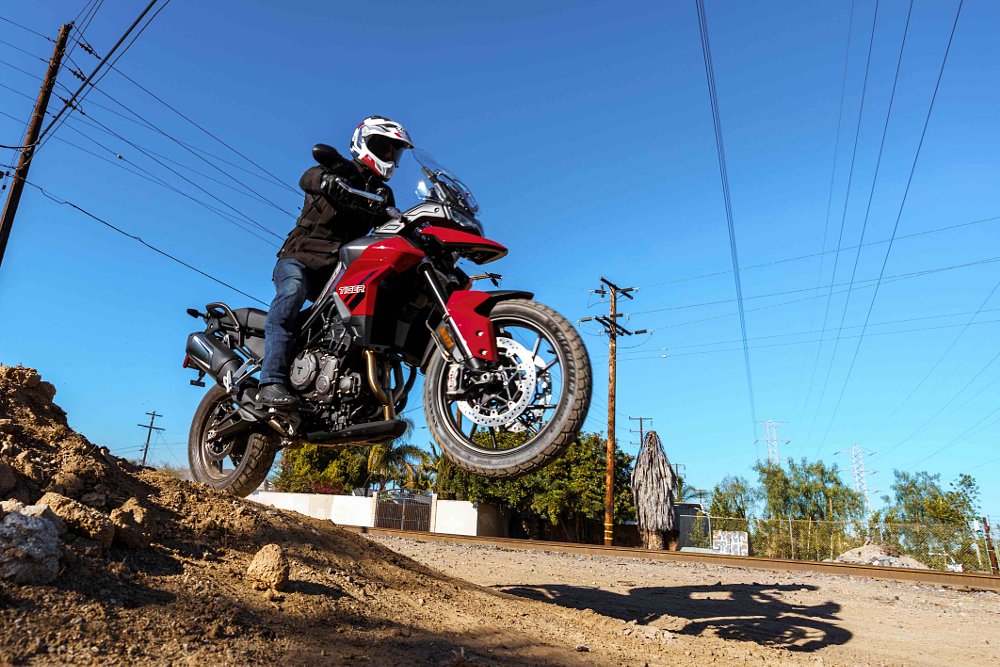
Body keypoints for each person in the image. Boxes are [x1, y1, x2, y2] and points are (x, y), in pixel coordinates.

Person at [257, 115, 413, 408]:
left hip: (338, 268)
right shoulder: (339, 169)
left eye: (395, 150)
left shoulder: (382, 193)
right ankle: (271, 381)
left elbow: (391, 222)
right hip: (300, 257)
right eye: (385, 147)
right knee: (292, 292)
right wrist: (328, 180)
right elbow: (309, 177)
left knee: (366, 308)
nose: (390, 155)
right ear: (365, 143)